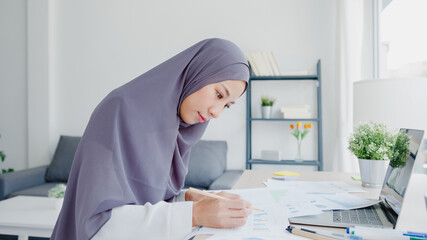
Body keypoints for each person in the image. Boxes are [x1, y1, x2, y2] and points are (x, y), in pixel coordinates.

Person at [51, 38, 252, 240]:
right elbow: (97, 226)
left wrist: (188, 199)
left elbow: (149, 201)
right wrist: (195, 214)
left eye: (227, 105)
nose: (216, 112)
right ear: (198, 73)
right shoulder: (119, 110)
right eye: (218, 94)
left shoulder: (177, 128)